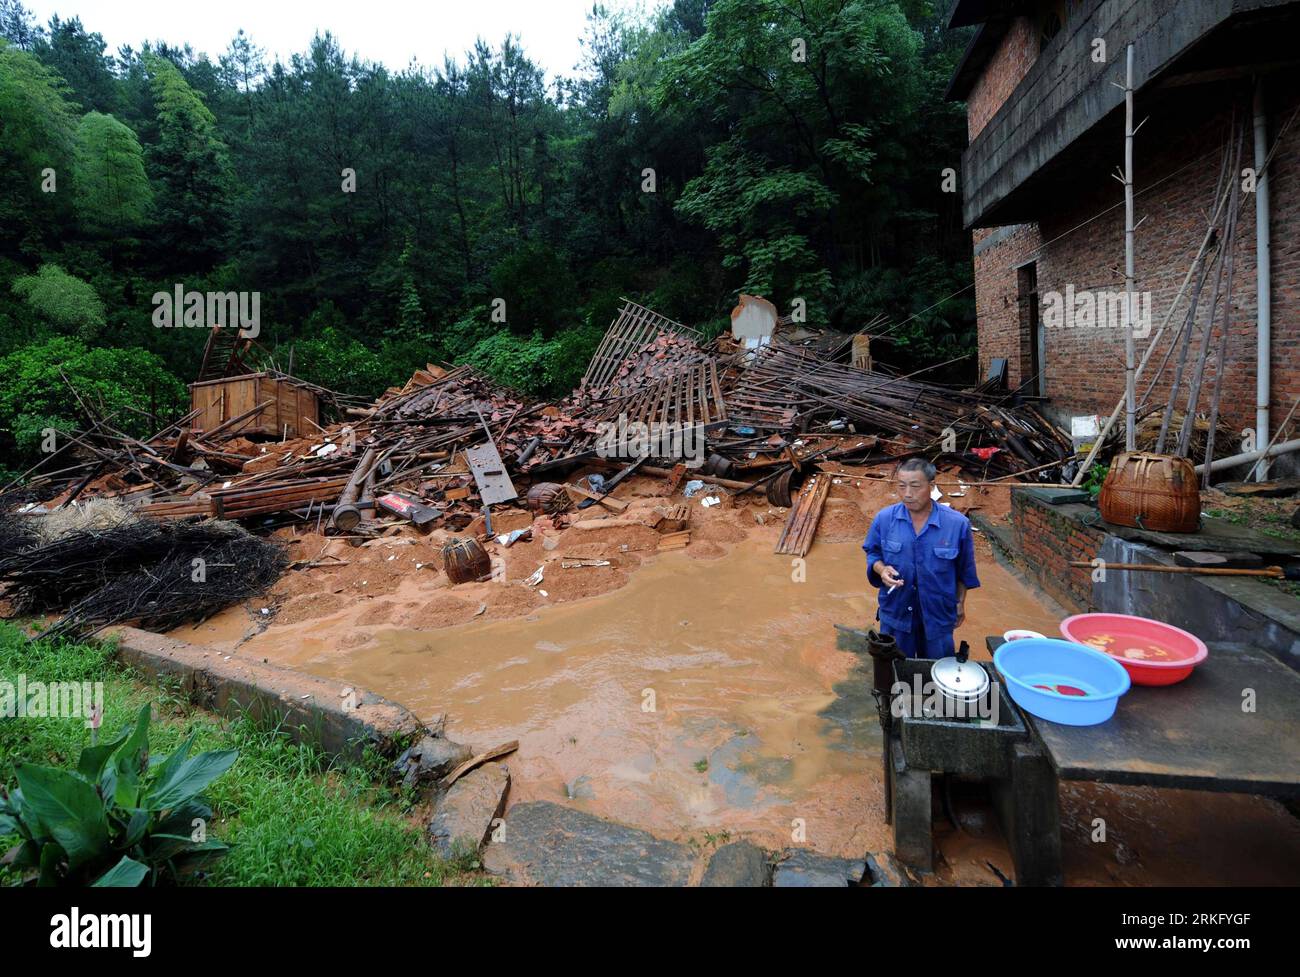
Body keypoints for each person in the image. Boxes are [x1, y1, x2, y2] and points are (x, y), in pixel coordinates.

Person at [863, 458, 980, 660]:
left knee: (937, 670)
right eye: (901, 486)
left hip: (938, 614)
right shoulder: (884, 519)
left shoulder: (957, 524)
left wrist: (960, 603)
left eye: (915, 486)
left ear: (932, 486)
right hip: (896, 611)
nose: (907, 494)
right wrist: (882, 570)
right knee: (894, 670)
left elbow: (964, 570)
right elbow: (873, 553)